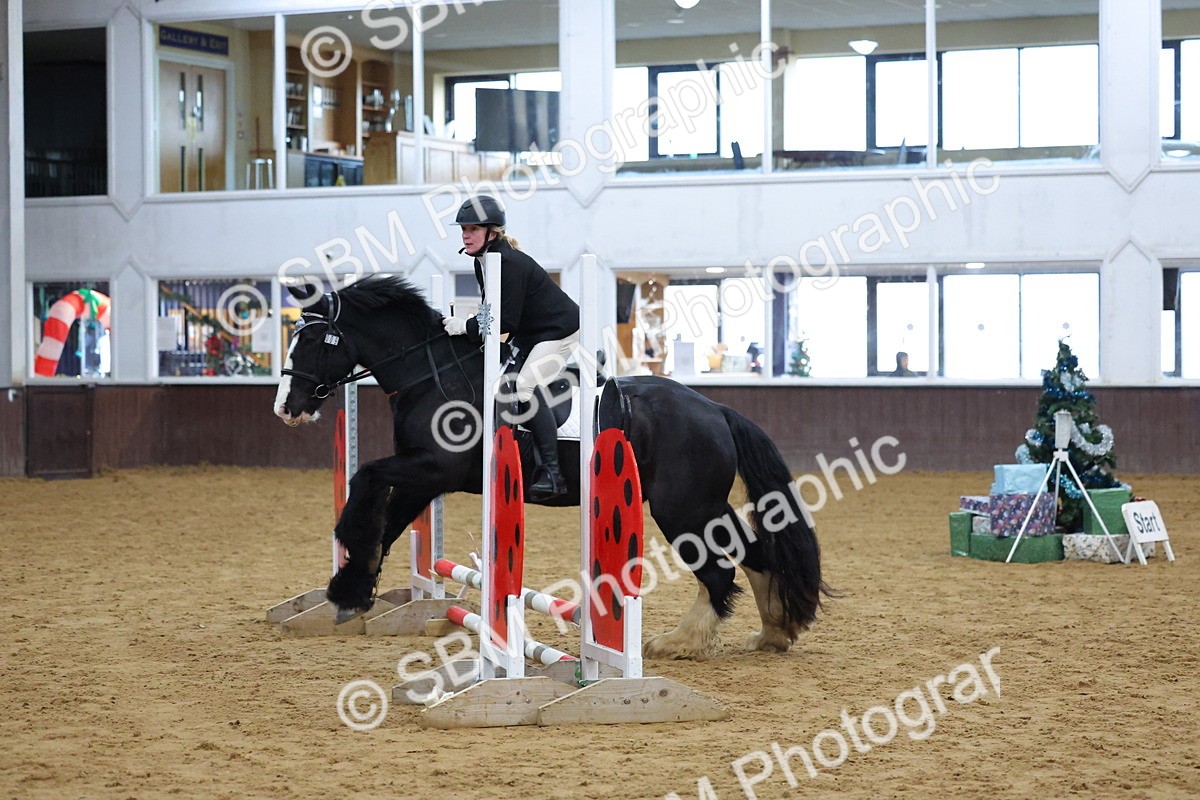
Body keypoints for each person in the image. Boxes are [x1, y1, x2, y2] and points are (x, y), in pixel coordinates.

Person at [445, 195, 580, 500]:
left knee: (523, 387)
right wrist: (469, 324)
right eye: (463, 229)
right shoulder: (484, 263)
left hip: (560, 331)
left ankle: (552, 472)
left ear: (492, 232)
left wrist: (464, 326)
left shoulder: (510, 263)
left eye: (473, 229)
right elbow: (488, 310)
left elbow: (503, 321)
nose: (466, 235)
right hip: (531, 332)